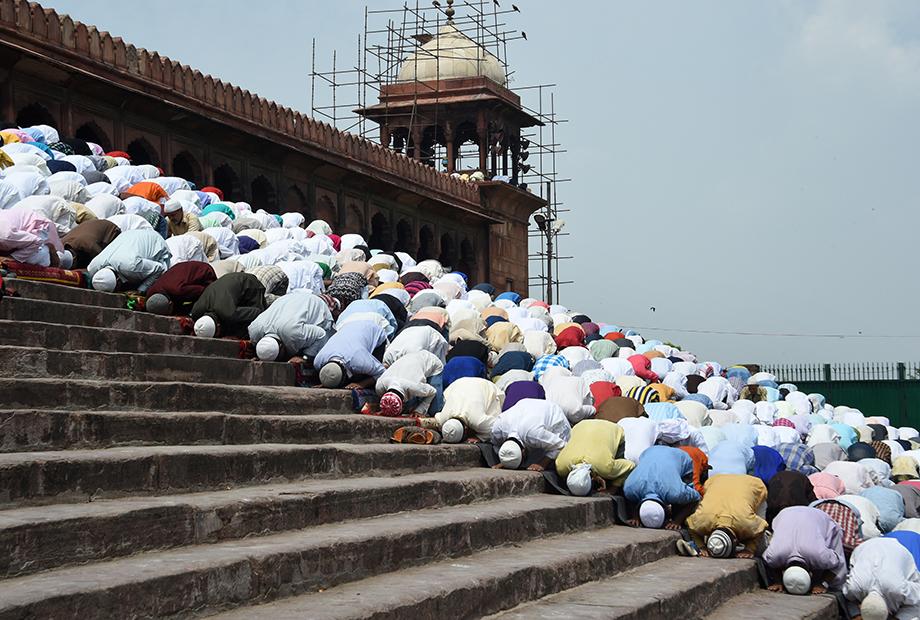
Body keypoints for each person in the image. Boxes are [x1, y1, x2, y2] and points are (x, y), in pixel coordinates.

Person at [762, 506, 847, 595]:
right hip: (785, 513)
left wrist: (822, 584)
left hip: (819, 517)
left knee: (834, 558)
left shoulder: (819, 555)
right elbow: (769, 562)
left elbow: (839, 562)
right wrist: (778, 582)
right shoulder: (774, 555)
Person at [683, 474, 768, 559]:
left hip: (754, 485)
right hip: (716, 481)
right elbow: (691, 526)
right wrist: (701, 547)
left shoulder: (745, 522)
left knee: (760, 549)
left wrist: (750, 549)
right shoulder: (703, 520)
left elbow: (762, 527)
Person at [623, 445, 701, 529]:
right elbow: (631, 498)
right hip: (650, 451)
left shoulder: (675, 493)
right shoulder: (630, 489)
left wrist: (677, 521)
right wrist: (635, 517)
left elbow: (696, 498)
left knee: (682, 499)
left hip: (680, 456)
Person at [843, 536, 920, 619]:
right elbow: (848, 599)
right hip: (865, 547)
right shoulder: (854, 588)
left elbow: (917, 602)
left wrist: (899, 618)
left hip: (899, 548)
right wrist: (855, 614)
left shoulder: (899, 590)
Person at [247, 290, 333, 362]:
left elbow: (321, 335)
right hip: (287, 299)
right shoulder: (254, 331)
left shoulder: (294, 333)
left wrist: (305, 357)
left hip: (314, 303)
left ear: (281, 346)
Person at [556, 419, 635, 495]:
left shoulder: (606, 468)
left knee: (612, 467)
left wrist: (612, 489)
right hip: (581, 425)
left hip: (613, 429)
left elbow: (630, 466)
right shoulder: (560, 467)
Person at [491, 398, 571, 472]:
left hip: (553, 415)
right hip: (526, 406)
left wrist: (542, 463)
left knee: (559, 459)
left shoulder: (534, 435)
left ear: (523, 452)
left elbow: (561, 445)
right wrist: (505, 461)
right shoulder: (497, 430)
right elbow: (496, 445)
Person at [87, 228, 171, 293]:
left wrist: (140, 291)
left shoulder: (133, 267)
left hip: (155, 240)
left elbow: (159, 268)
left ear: (118, 281)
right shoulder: (92, 267)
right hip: (128, 235)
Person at [313, 320, 388, 388]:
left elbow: (381, 372)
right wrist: (327, 383)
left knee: (372, 379)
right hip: (349, 328)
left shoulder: (360, 361)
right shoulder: (318, 361)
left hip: (373, 330)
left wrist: (362, 384)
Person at [189, 272, 266, 338]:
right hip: (228, 281)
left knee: (258, 321)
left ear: (218, 325)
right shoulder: (196, 311)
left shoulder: (229, 313)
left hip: (250, 283)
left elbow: (257, 312)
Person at [434, 377, 504, 443]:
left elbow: (496, 427)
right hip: (459, 383)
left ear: (466, 429)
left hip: (486, 386)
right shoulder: (443, 418)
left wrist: (479, 438)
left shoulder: (478, 421)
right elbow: (437, 418)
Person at [375, 350, 444, 416]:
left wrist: (419, 410)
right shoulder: (379, 386)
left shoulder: (414, 386)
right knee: (410, 407)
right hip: (410, 361)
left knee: (434, 410)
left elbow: (433, 391)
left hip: (431, 362)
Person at [145, 261, 217, 315]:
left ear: (170, 304)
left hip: (204, 272)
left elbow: (203, 291)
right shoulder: (150, 293)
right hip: (180, 272)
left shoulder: (180, 290)